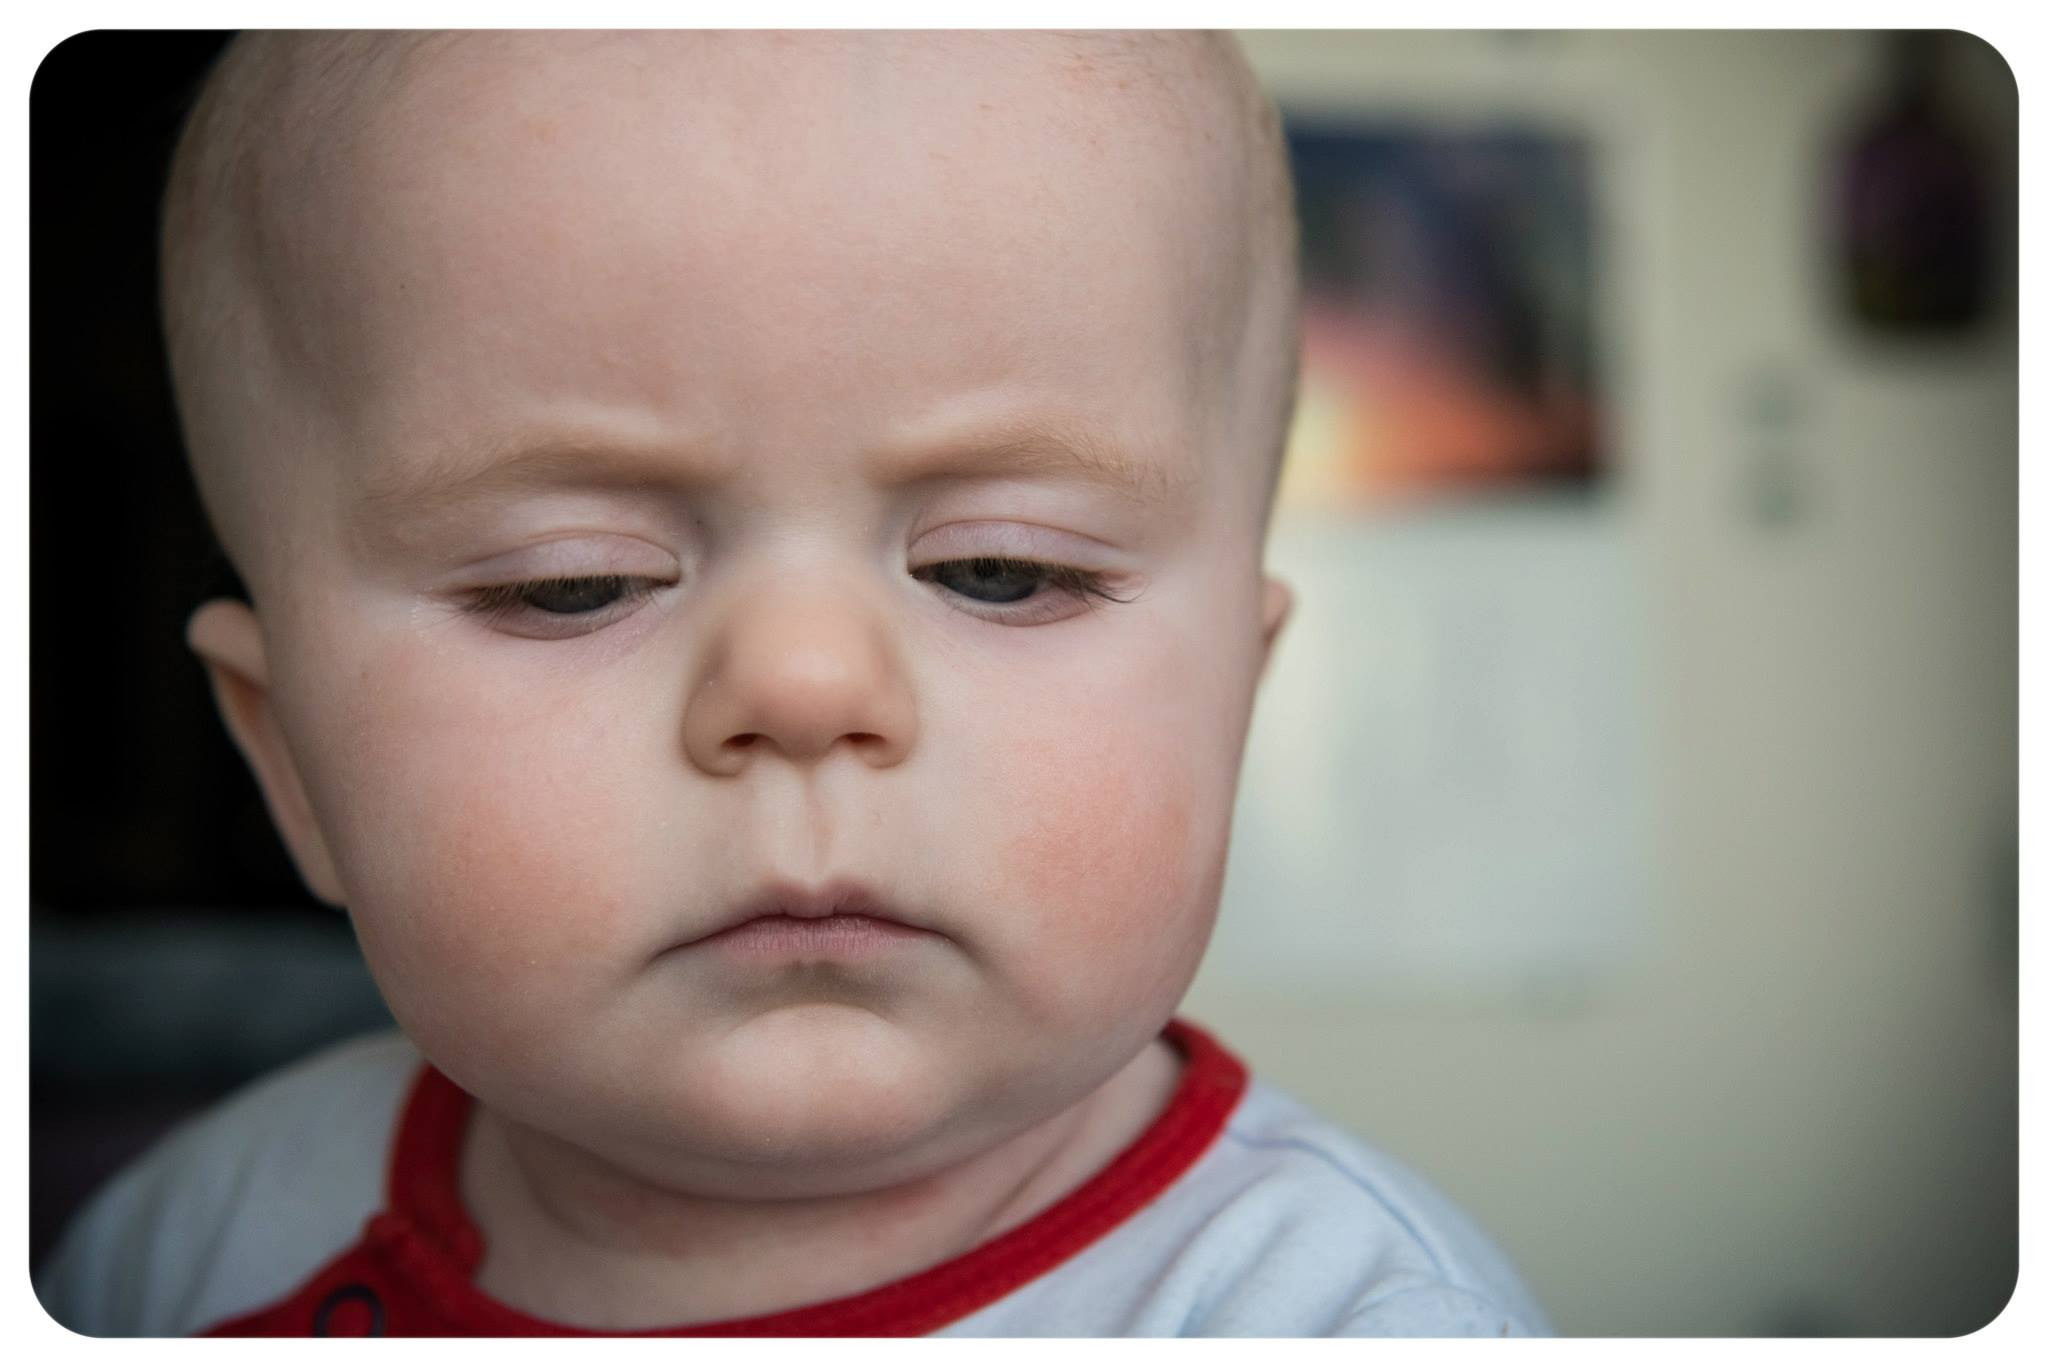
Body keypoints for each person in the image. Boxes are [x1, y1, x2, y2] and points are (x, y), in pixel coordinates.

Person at [35, 30, 1549, 1337]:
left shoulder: (1340, 1319)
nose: (807, 687)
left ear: (1236, 707)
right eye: (573, 583)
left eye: (1001, 568)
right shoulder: (183, 1247)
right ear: (290, 759)